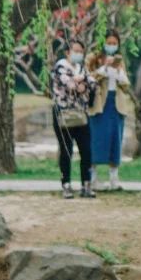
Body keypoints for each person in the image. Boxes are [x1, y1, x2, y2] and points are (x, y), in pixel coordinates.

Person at [88, 29, 134, 192]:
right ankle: (92, 179)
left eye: (115, 43)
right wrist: (104, 67)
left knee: (116, 140)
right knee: (95, 141)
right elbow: (90, 78)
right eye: (109, 43)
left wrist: (118, 70)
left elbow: (126, 84)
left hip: (117, 105)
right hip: (99, 105)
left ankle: (114, 179)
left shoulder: (120, 62)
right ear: (103, 43)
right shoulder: (94, 58)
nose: (112, 46)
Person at [52, 36, 95, 199]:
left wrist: (81, 82)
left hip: (81, 115)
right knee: (66, 151)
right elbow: (69, 85)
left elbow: (93, 84)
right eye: (76, 51)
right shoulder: (60, 67)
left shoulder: (82, 68)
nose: (79, 54)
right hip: (64, 115)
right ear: (68, 52)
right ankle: (66, 185)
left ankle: (86, 184)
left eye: (81, 51)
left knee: (86, 151)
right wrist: (81, 85)